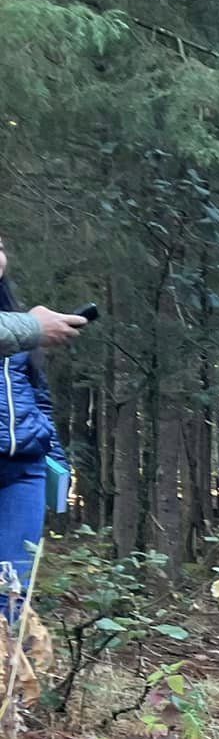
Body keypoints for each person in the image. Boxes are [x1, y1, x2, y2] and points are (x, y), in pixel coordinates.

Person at [0, 233, 75, 623]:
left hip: (24, 469)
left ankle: (6, 679)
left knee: (12, 589)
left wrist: (58, 465)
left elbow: (39, 400)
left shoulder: (20, 324)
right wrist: (30, 327)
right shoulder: (25, 327)